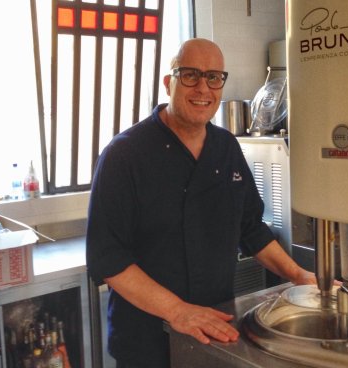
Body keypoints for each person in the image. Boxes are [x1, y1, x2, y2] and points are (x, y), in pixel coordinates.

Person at [86, 38, 316, 368]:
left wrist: (299, 275)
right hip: (146, 341)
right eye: (190, 75)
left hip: (214, 328)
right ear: (169, 83)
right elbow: (108, 259)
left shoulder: (226, 147)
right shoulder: (125, 154)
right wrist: (178, 311)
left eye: (213, 77)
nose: (203, 88)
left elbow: (251, 228)